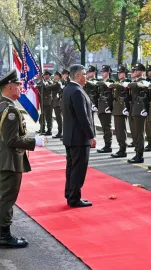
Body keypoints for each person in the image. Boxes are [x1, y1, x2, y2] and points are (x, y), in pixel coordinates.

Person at [0, 69, 46, 248]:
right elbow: (12, 140)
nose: (21, 87)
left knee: (3, 196)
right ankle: (5, 237)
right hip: (10, 159)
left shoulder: (0, 106)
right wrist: (33, 141)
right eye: (18, 85)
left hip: (4, 157)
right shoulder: (10, 110)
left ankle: (3, 234)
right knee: (7, 197)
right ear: (9, 86)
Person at [62, 64, 96, 208]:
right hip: (79, 138)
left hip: (70, 136)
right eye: (83, 73)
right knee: (78, 169)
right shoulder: (76, 91)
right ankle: (74, 198)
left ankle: (70, 193)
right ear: (77, 76)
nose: (86, 76)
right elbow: (83, 117)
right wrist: (91, 136)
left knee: (71, 167)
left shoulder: (68, 89)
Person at [109, 65, 131, 158]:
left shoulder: (127, 82)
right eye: (118, 73)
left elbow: (128, 96)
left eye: (121, 73)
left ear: (125, 74)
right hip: (117, 107)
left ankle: (123, 149)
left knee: (121, 129)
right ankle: (121, 147)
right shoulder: (118, 83)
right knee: (118, 129)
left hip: (123, 107)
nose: (119, 74)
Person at [127, 63, 148, 163]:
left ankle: (140, 155)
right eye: (133, 70)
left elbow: (137, 85)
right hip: (133, 109)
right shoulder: (134, 81)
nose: (133, 72)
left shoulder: (143, 81)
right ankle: (137, 153)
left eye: (135, 70)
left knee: (139, 133)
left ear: (141, 72)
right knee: (134, 132)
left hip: (139, 110)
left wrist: (129, 84)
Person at [96, 65, 115, 153]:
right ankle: (106, 144)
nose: (103, 73)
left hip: (107, 107)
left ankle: (108, 145)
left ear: (108, 73)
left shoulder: (111, 82)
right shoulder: (100, 82)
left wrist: (110, 107)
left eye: (105, 72)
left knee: (107, 127)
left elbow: (112, 96)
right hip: (101, 107)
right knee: (104, 127)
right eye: (102, 72)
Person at [38, 70, 53, 135]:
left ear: (49, 76)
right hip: (42, 102)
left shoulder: (50, 82)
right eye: (44, 75)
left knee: (48, 116)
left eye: (45, 75)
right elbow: (38, 87)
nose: (44, 76)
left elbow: (46, 87)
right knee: (42, 116)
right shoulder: (42, 82)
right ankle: (42, 128)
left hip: (48, 102)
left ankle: (49, 129)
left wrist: (42, 81)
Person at [51, 71, 63, 138]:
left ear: (58, 76)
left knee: (59, 118)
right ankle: (60, 132)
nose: (54, 76)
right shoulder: (57, 83)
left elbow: (49, 87)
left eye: (55, 75)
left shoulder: (58, 83)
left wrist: (45, 83)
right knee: (58, 118)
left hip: (58, 103)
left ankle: (60, 132)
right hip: (56, 102)